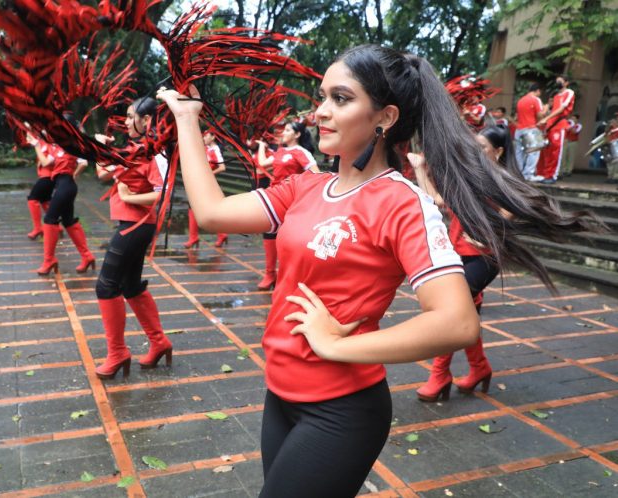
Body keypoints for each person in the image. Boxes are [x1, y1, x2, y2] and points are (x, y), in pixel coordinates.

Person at [158, 43, 599, 498]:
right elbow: (211, 212)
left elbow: (457, 321)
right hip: (280, 394)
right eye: (322, 96)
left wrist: (334, 343)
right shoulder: (306, 188)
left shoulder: (402, 203)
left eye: (341, 99)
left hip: (339, 411)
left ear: (385, 117)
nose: (320, 112)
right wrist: (187, 118)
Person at [414, 124, 520, 402]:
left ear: (498, 151)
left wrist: (489, 232)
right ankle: (480, 368)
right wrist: (419, 170)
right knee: (467, 313)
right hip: (456, 254)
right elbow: (436, 200)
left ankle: (439, 375)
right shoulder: (470, 176)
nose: (475, 151)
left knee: (450, 312)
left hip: (482, 259)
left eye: (482, 147)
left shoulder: (502, 179)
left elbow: (511, 212)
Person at [93, 97, 173, 378]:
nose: (125, 121)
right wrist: (101, 148)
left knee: (106, 286)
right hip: (129, 223)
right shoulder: (134, 150)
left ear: (147, 120)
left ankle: (117, 353)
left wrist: (131, 196)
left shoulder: (156, 154)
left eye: (130, 116)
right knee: (130, 285)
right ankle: (159, 342)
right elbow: (102, 174)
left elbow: (165, 194)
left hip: (137, 225)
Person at [254, 121, 319, 290]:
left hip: (292, 201)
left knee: (286, 238)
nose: (284, 132)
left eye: (288, 130)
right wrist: (261, 145)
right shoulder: (280, 151)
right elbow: (261, 163)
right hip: (274, 196)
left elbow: (316, 174)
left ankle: (287, 277)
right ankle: (269, 274)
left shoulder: (301, 152)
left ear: (297, 135)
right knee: (268, 233)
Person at [31, 116, 94, 275]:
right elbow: (46, 162)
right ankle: (87, 257)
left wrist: (74, 174)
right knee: (68, 220)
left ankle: (49, 260)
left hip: (67, 185)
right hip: (61, 184)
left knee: (50, 219)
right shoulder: (57, 145)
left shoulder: (74, 145)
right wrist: (37, 144)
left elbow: (84, 163)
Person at [184, 130, 228, 248]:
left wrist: (208, 174)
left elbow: (222, 167)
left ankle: (221, 234)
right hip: (197, 182)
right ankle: (194, 237)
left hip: (207, 183)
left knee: (209, 209)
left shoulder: (216, 150)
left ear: (213, 137)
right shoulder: (204, 148)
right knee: (191, 207)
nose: (204, 137)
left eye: (206, 136)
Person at [536, 75, 575, 183]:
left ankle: (553, 175)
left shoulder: (569, 92)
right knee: (548, 151)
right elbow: (553, 110)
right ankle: (546, 174)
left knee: (556, 151)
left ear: (566, 83)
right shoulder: (556, 96)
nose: (557, 82)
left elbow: (562, 109)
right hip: (551, 126)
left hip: (560, 125)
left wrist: (547, 118)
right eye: (556, 81)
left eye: (560, 81)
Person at [24, 130, 55, 239]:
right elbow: (29, 136)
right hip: (45, 176)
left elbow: (46, 162)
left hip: (49, 176)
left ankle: (38, 228)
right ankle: (56, 225)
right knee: (45, 200)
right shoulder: (42, 142)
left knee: (32, 199)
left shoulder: (52, 144)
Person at [515, 82, 549, 181]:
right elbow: (540, 116)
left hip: (519, 129)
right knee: (533, 153)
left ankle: (518, 174)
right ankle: (528, 175)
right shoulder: (536, 99)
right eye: (540, 92)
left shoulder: (521, 100)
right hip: (531, 129)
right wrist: (546, 108)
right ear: (537, 90)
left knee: (519, 153)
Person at [561, 113, 582, 177]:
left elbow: (574, 132)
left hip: (573, 142)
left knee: (571, 157)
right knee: (563, 156)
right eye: (571, 118)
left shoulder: (579, 125)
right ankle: (563, 170)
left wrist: (572, 125)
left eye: (574, 118)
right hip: (566, 141)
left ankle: (569, 170)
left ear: (577, 119)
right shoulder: (567, 124)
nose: (572, 119)